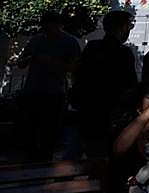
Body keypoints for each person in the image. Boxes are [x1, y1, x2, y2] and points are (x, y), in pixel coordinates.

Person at [15, 9, 81, 160]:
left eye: (51, 27)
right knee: (29, 130)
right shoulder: (37, 39)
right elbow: (21, 61)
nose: (48, 31)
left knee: (49, 131)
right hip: (32, 90)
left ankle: (44, 160)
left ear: (59, 25)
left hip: (54, 93)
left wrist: (53, 63)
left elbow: (75, 67)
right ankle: (29, 158)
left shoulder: (69, 42)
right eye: (45, 27)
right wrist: (25, 60)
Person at [74, 9, 139, 157]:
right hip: (113, 115)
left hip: (89, 112)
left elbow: (79, 76)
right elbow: (130, 85)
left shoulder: (91, 48)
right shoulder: (123, 53)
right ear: (123, 27)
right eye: (129, 26)